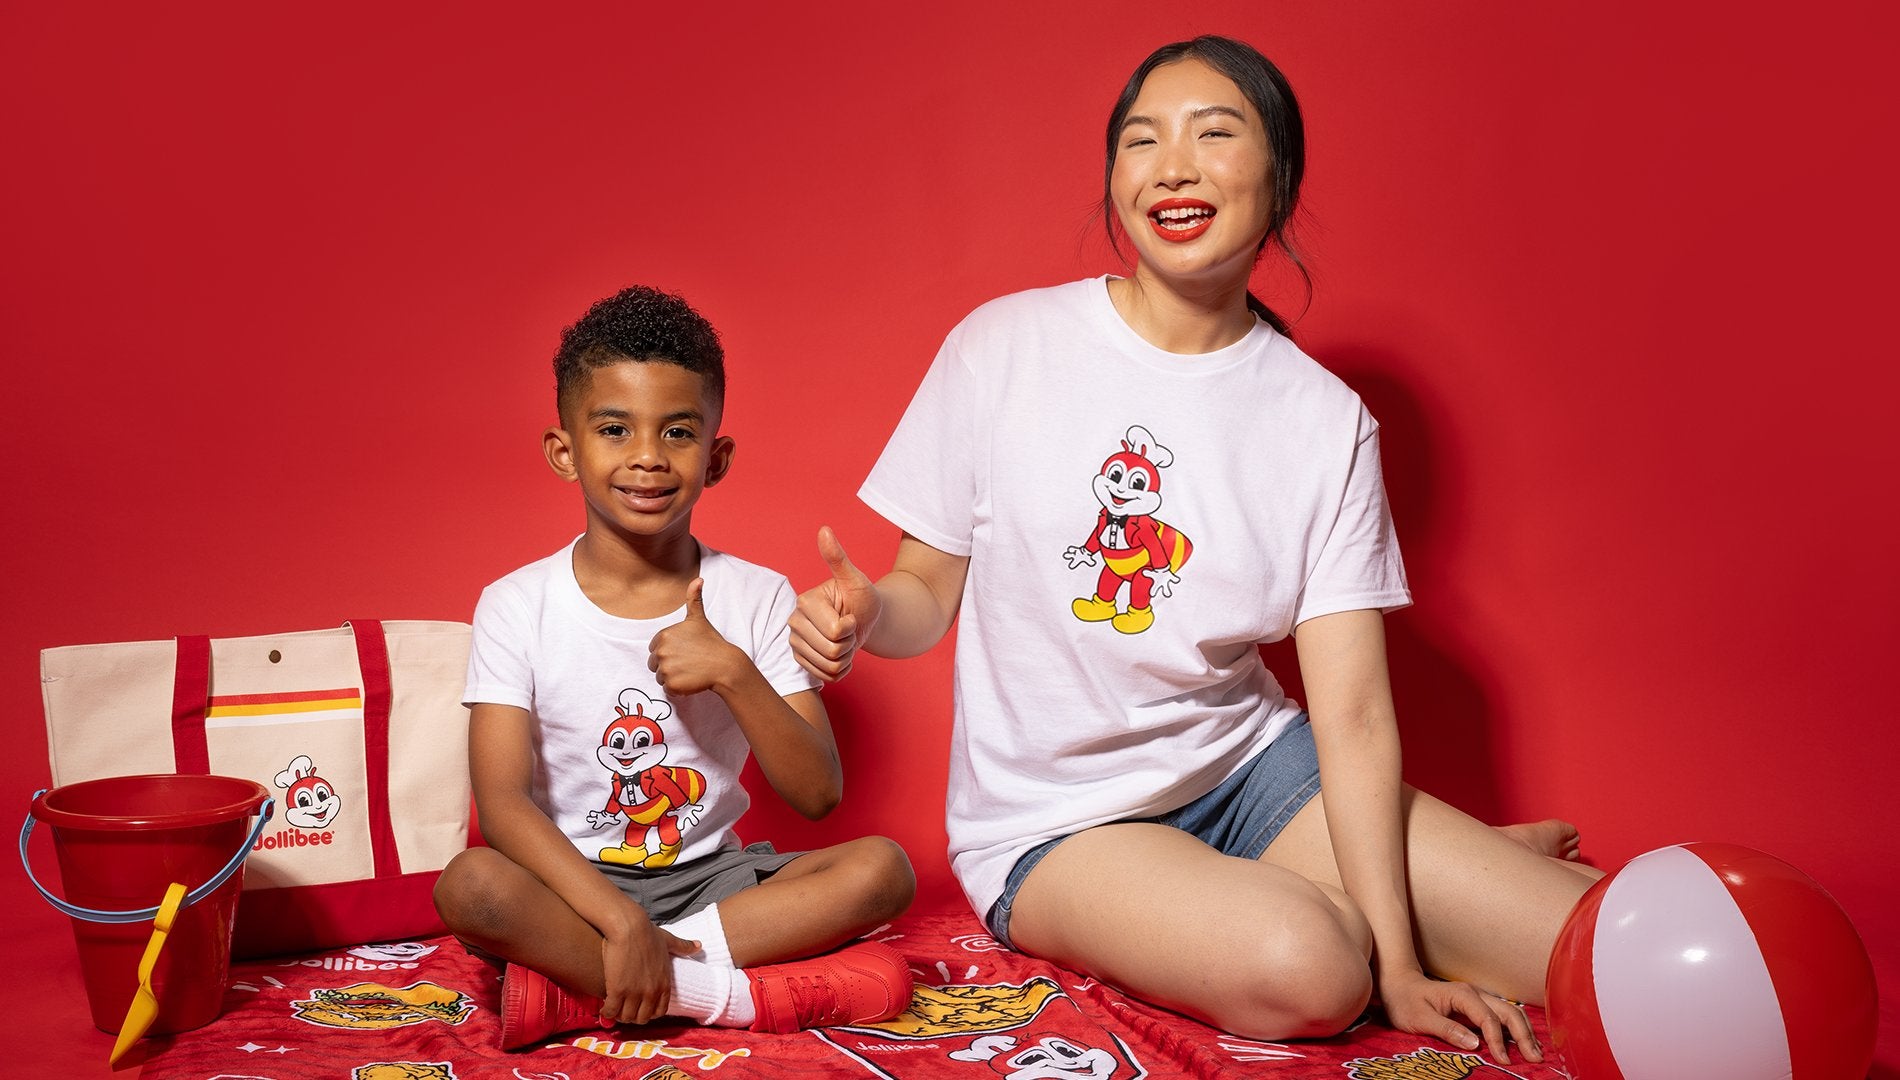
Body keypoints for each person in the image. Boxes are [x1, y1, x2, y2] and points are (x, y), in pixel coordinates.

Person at [788, 36, 1599, 1066]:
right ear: (1116, 180)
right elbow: (922, 594)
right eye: (1142, 140)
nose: (1172, 166)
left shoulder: (1323, 420)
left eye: (1214, 134)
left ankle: (1427, 888)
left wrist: (1405, 964)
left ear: (1280, 180)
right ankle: (1395, 884)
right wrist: (862, 614)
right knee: (1315, 969)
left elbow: (1348, 714)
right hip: (1057, 826)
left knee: (1581, 943)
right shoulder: (1004, 346)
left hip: (1253, 771)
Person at [434, 285, 916, 1050]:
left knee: (882, 869)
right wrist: (621, 918)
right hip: (576, 888)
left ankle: (595, 990)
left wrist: (732, 670)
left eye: (679, 432)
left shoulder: (754, 596)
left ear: (716, 457)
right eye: (615, 428)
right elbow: (503, 803)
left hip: (713, 885)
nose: (649, 457)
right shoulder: (515, 603)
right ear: (566, 451)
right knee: (471, 886)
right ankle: (716, 994)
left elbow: (819, 793)